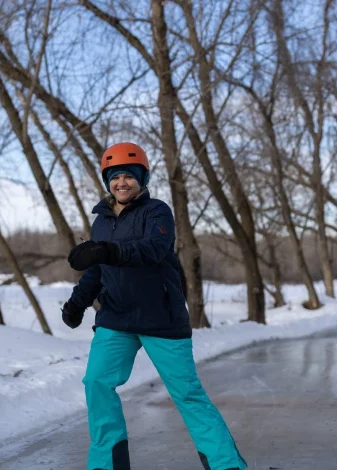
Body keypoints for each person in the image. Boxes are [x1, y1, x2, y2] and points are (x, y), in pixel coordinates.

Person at [61, 142, 247, 470]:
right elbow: (96, 270)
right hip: (116, 318)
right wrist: (76, 304)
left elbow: (153, 249)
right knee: (96, 383)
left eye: (129, 176)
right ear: (106, 180)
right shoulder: (101, 221)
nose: (122, 182)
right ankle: (106, 465)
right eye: (115, 176)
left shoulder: (157, 211)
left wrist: (106, 251)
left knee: (187, 395)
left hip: (160, 318)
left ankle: (226, 465)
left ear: (142, 178)